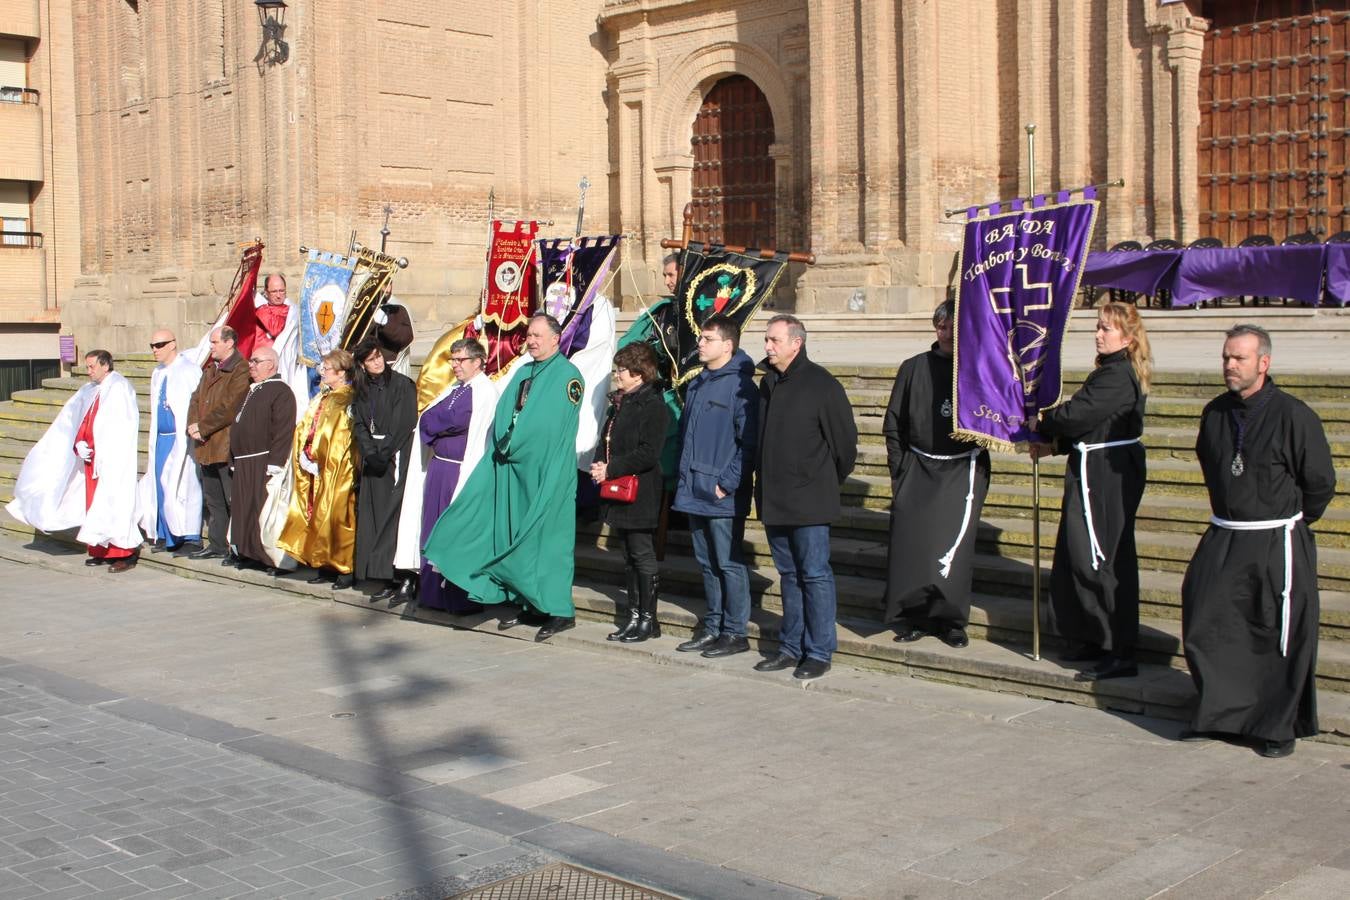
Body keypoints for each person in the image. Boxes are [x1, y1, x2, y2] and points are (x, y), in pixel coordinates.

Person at [1181, 324, 1335, 758]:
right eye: (1226, 357)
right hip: (1226, 534)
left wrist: (1289, 518)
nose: (1230, 365)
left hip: (1275, 538)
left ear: (1263, 363)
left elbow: (1320, 482)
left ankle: (1274, 726)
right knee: (1207, 620)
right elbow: (1212, 464)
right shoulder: (1214, 412)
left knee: (1273, 632)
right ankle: (1219, 714)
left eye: (1239, 358)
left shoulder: (1294, 415)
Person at [423, 313, 585, 642]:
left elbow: (547, 425)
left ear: (556, 339)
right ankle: (529, 602)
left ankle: (558, 609)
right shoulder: (524, 371)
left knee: (548, 539)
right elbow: (504, 411)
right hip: (515, 469)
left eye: (539, 335)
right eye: (530, 335)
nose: (533, 341)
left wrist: (513, 442)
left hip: (546, 472)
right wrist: (504, 439)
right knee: (515, 535)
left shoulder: (568, 376)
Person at [1031, 301, 1150, 682]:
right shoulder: (1109, 371)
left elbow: (1079, 415)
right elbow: (1095, 427)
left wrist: (1044, 419)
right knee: (1079, 554)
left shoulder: (1117, 376)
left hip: (1108, 477)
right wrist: (1057, 445)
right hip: (1093, 466)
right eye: (1098, 327)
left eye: (1106, 329)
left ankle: (1119, 646)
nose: (1098, 335)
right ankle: (1091, 635)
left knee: (1103, 555)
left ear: (1128, 338)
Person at [755, 314, 857, 680]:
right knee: (789, 575)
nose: (767, 346)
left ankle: (818, 650)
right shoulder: (768, 384)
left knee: (814, 575)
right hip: (775, 499)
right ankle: (790, 646)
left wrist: (820, 480)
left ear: (796, 343)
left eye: (774, 340)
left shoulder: (822, 385)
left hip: (810, 500)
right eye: (767, 340)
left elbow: (845, 446)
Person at [884, 301, 989, 649]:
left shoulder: (977, 369)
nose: (945, 333)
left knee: (952, 551)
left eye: (952, 327)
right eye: (940, 326)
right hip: (918, 467)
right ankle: (914, 616)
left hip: (961, 468)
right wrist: (901, 471)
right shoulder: (913, 368)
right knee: (914, 547)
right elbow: (894, 424)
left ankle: (950, 621)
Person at [6, 350, 141, 573]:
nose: (88, 371)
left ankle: (122, 553)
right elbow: (80, 418)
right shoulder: (91, 389)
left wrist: (99, 447)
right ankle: (99, 550)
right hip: (91, 458)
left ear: (105, 366)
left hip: (112, 460)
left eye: (92, 367)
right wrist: (79, 442)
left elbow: (119, 425)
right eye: (87, 367)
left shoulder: (119, 388)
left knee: (114, 503)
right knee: (93, 505)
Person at [671, 314, 758, 658]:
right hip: (692, 487)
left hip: (720, 492)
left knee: (728, 562)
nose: (700, 344)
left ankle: (735, 632)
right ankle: (713, 626)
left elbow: (747, 443)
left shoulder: (741, 386)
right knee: (707, 563)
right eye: (701, 338)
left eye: (708, 339)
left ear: (728, 345)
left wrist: (727, 483)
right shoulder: (698, 382)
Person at [397, 337, 498, 615]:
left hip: (459, 471)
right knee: (431, 529)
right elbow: (429, 418)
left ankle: (456, 597)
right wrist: (439, 423)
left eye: (460, 360)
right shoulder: (454, 388)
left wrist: (439, 423)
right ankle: (432, 593)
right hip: (439, 468)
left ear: (478, 362)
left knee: (453, 532)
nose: (454, 365)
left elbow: (455, 420)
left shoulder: (483, 392)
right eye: (452, 360)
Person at [590, 342, 671, 643]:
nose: (617, 375)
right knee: (628, 556)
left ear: (638, 373)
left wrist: (611, 469)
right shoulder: (620, 403)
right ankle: (634, 616)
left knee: (642, 553)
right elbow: (607, 439)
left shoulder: (653, 405)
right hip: (618, 489)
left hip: (640, 491)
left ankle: (648, 619)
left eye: (621, 370)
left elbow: (649, 453)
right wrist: (600, 463)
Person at [277, 349, 358, 589]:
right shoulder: (324, 396)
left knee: (338, 515)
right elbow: (308, 426)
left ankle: (343, 566)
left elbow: (341, 437)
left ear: (341, 372)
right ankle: (323, 560)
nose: (321, 372)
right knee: (317, 513)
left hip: (336, 468)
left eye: (327, 368)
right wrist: (304, 451)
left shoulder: (346, 398)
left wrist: (320, 455)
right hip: (315, 467)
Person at [350, 335, 418, 604]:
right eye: (370, 360)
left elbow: (404, 422)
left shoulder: (402, 385)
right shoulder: (362, 389)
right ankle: (382, 575)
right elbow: (359, 424)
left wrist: (384, 452)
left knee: (393, 516)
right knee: (375, 517)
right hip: (373, 459)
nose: (376, 362)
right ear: (363, 365)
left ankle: (401, 577)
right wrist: (369, 452)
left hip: (395, 456)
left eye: (378, 356)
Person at [228, 345, 297, 571]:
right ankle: (248, 552)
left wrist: (275, 463)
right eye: (251, 360)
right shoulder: (252, 389)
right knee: (244, 510)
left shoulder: (281, 391)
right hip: (244, 460)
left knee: (262, 510)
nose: (251, 365)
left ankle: (268, 557)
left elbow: (283, 430)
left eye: (256, 361)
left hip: (263, 461)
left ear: (271, 364)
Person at [136, 330, 203, 554]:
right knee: (161, 486)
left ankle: (190, 535)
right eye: (152, 345)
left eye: (160, 344)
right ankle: (166, 535)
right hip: (162, 438)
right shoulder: (158, 373)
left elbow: (195, 404)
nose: (155, 349)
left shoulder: (188, 370)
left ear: (173, 344)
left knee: (184, 485)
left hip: (181, 438)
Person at [187, 326, 250, 561]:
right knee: (213, 498)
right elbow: (195, 398)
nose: (211, 346)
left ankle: (238, 546)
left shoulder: (240, 369)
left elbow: (230, 407)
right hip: (205, 444)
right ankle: (216, 544)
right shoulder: (210, 370)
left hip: (224, 444)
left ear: (229, 343)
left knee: (231, 497)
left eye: (214, 342)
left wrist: (203, 427)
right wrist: (193, 425)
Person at [255, 273, 292, 351]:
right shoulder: (260, 305)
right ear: (266, 291)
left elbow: (276, 329)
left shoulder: (290, 310)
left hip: (273, 358)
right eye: (274, 292)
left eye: (282, 291)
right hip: (253, 357)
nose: (278, 296)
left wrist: (260, 307)